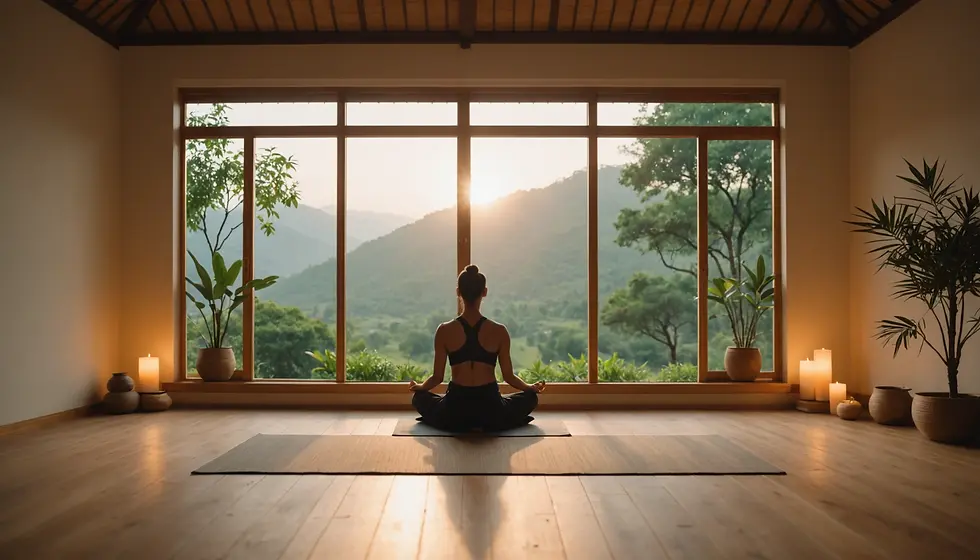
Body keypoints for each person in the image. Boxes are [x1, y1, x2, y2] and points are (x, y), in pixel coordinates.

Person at [409, 264, 545, 432]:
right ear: (484, 292)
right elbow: (509, 377)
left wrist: (421, 388)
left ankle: (460, 423)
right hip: (491, 410)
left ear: (458, 292)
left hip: (455, 410)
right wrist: (530, 388)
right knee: (530, 398)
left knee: (418, 398)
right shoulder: (499, 331)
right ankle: (487, 423)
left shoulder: (444, 330)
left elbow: (437, 377)